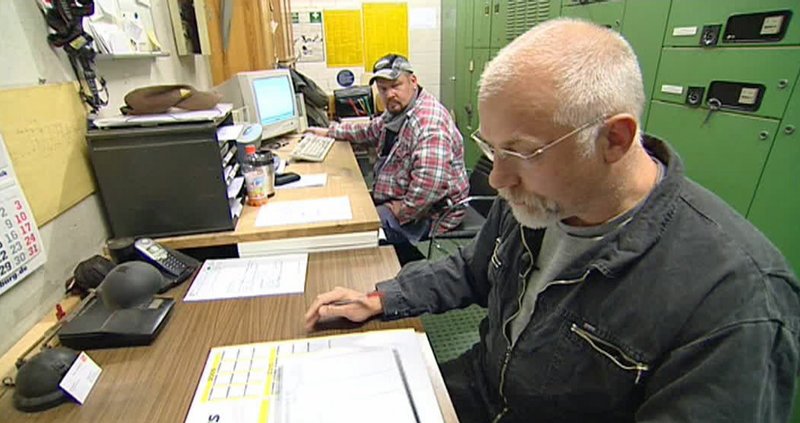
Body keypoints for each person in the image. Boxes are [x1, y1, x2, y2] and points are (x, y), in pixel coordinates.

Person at [304, 18, 800, 422]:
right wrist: (380, 297)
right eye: (491, 149)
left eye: (521, 153)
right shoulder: (537, 199)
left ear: (614, 140)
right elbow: (473, 269)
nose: (497, 178)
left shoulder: (737, 300)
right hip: (485, 389)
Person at [306, 54, 469, 246]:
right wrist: (329, 132)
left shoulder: (429, 123)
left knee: (357, 229)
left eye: (395, 85)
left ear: (413, 81)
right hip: (401, 199)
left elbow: (430, 186)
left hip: (430, 213)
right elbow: (369, 130)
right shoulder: (398, 111)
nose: (389, 94)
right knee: (346, 208)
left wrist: (401, 210)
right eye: (383, 89)